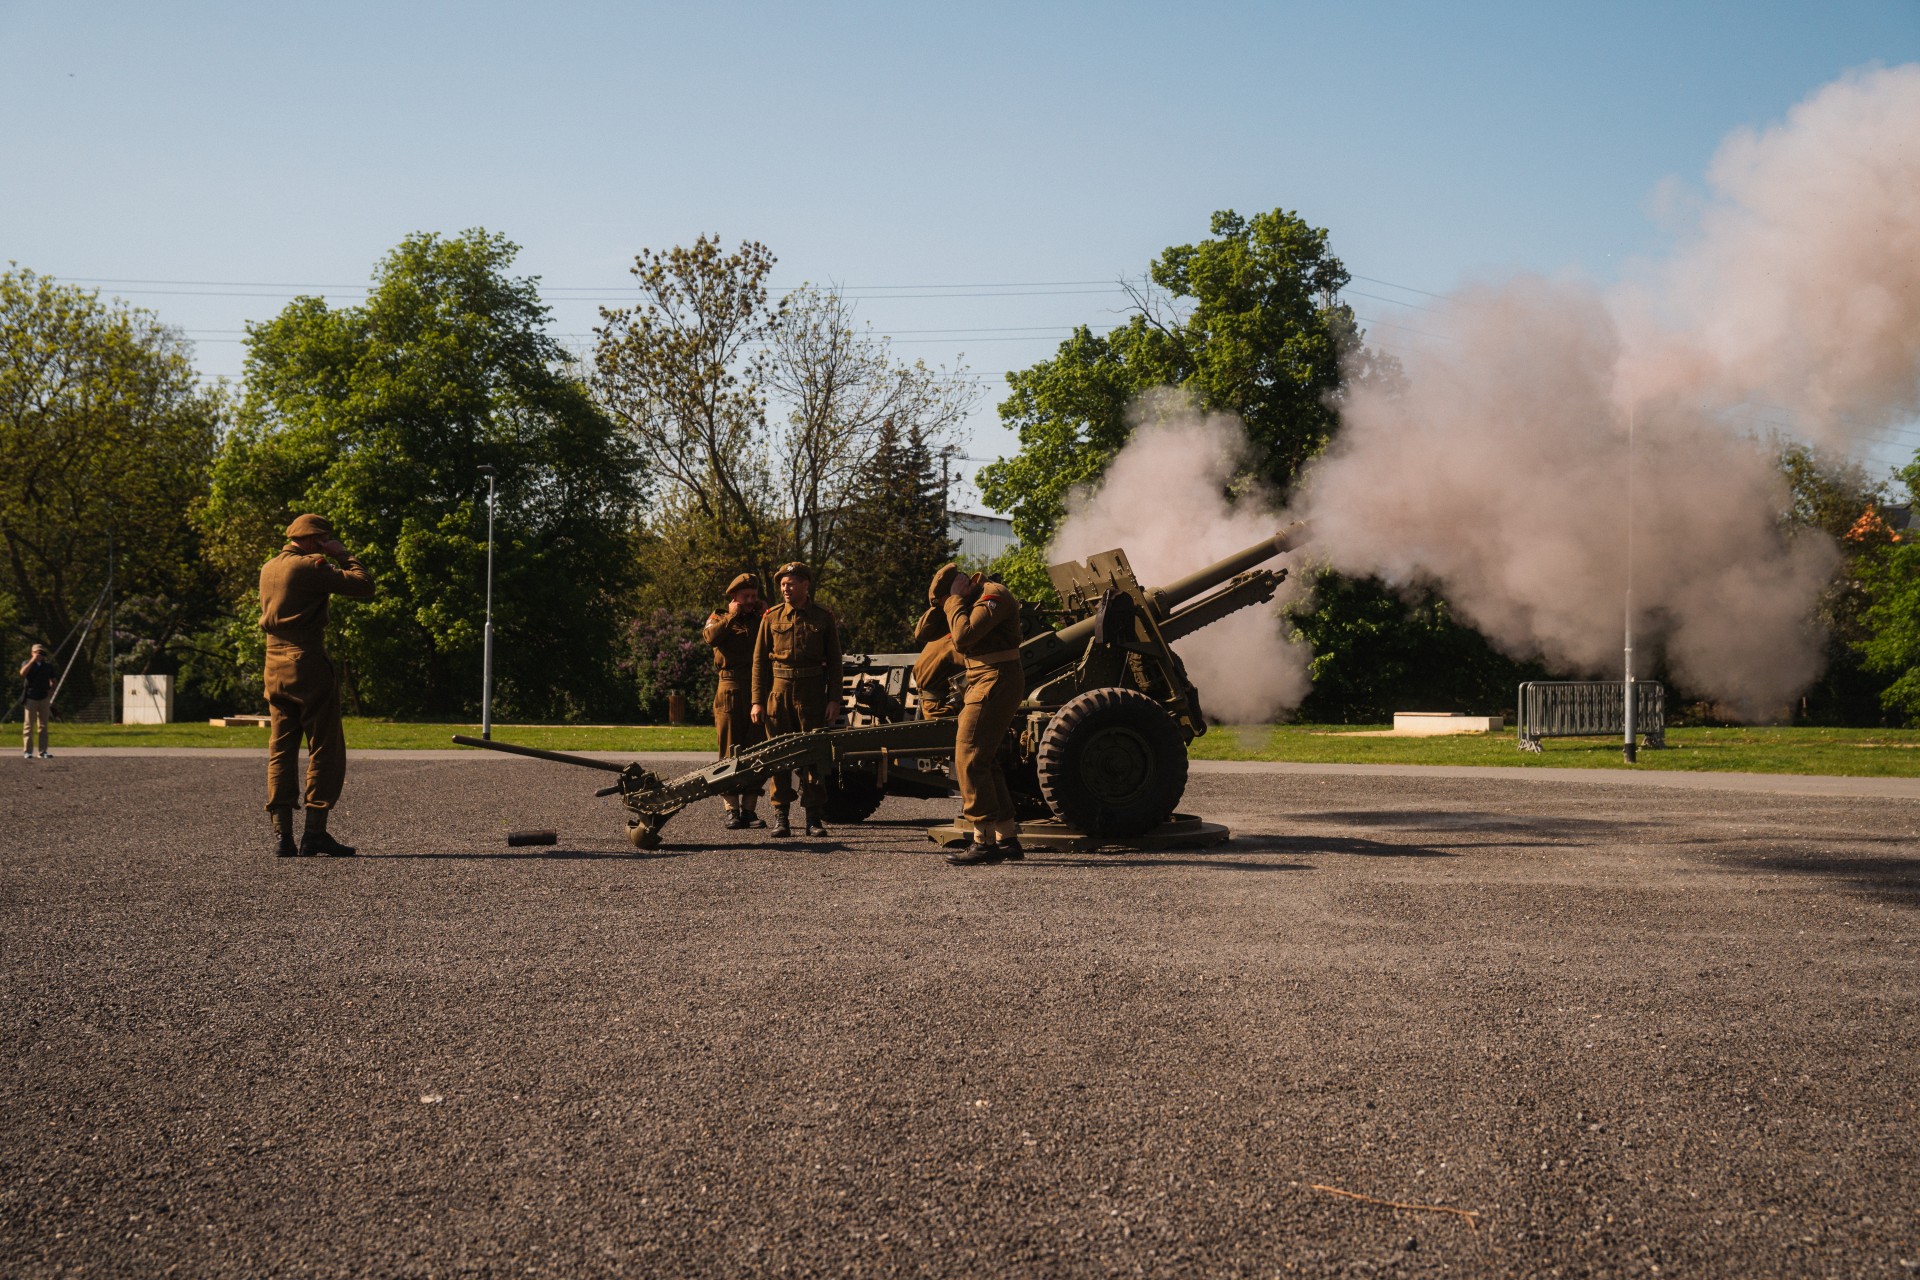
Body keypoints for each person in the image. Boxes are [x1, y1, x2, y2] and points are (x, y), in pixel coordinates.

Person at [259, 514, 375, 857]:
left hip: (272, 664)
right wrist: (343, 554)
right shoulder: (311, 566)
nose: (328, 543)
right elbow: (363, 585)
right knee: (325, 746)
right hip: (306, 662)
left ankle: (282, 837)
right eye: (325, 538)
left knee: (281, 749)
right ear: (314, 540)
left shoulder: (269, 567)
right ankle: (314, 833)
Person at [750, 561, 844, 839]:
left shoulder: (823, 617)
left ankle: (814, 819)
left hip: (813, 694)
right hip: (778, 694)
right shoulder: (771, 617)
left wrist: (834, 700)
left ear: (805, 584)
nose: (785, 588)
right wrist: (757, 701)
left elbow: (836, 664)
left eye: (791, 583)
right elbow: (758, 663)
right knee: (779, 757)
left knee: (813, 759)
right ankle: (781, 818)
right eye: (782, 584)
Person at [943, 570, 1026, 866]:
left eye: (949, 594)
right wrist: (952, 602)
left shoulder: (994, 595)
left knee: (969, 754)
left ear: (964, 583)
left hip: (995, 678)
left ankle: (984, 842)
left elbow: (964, 637)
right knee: (985, 758)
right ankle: (1006, 838)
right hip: (983, 677)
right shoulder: (972, 600)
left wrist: (954, 600)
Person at [703, 572, 768, 830]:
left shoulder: (760, 619)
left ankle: (749, 811)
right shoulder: (719, 617)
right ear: (734, 597)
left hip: (757, 689)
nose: (751, 601)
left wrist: (766, 612)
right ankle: (731, 810)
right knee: (729, 751)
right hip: (729, 688)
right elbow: (710, 638)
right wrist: (731, 616)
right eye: (746, 597)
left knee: (756, 748)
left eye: (754, 596)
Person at [910, 562, 964, 719]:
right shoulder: (952, 635)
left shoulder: (942, 627)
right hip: (940, 708)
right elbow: (977, 662)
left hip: (935, 701)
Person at [19, 643, 56, 759]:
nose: (39, 654)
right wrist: (32, 660)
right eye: (36, 652)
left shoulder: (48, 666)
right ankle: (28, 751)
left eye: (41, 652)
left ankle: (43, 751)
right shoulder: (27, 663)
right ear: (32, 653)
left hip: (44, 697)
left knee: (43, 725)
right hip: (31, 697)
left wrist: (51, 691)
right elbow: (22, 673)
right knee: (29, 725)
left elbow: (53, 680)